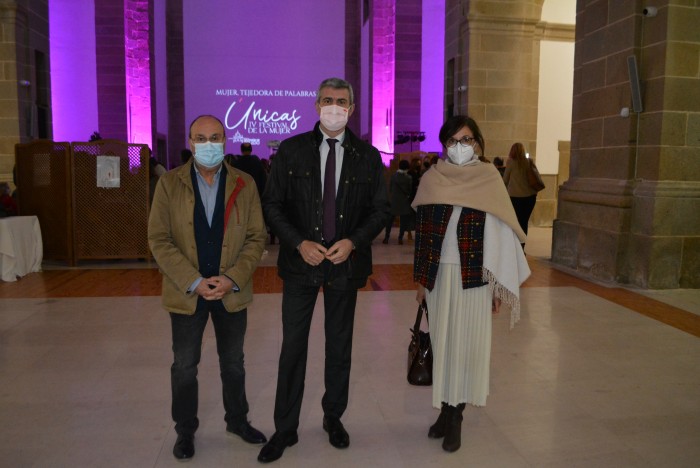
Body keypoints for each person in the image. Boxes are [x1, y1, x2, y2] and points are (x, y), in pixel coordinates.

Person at [259, 77, 390, 463]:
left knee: (339, 346)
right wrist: (299, 242)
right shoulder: (292, 150)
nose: (335, 107)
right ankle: (285, 429)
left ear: (352, 108)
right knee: (293, 348)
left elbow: (380, 210)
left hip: (344, 266)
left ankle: (333, 417)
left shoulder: (367, 156)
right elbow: (272, 205)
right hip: (301, 265)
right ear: (316, 105)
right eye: (328, 100)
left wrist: (354, 242)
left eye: (342, 101)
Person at [148, 115, 268, 461]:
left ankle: (237, 421)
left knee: (233, 362)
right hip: (187, 293)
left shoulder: (244, 183)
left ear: (225, 140)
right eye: (201, 138)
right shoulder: (169, 184)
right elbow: (159, 239)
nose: (209, 144)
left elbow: (256, 237)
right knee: (184, 365)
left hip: (231, 291)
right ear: (190, 141)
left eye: (215, 137)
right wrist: (195, 281)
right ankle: (185, 431)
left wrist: (232, 278)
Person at [412, 115, 530, 453]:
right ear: (444, 144)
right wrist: (421, 281)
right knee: (445, 345)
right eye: (452, 140)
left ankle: (455, 416)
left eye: (466, 140)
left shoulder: (489, 178)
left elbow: (500, 236)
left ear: (476, 142)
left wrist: (495, 286)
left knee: (466, 348)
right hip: (439, 277)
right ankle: (445, 410)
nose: (460, 147)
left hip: (473, 277)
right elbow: (423, 235)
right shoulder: (433, 178)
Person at [502, 142, 539, 249]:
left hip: (515, 197)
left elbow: (505, 180)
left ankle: (516, 246)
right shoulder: (529, 161)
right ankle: (522, 245)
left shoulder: (511, 163)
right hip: (530, 197)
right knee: (524, 221)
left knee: (516, 222)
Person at [383, 159, 414, 244]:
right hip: (404, 201)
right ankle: (400, 238)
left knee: (390, 220)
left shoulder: (393, 176)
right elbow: (409, 190)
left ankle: (386, 238)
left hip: (394, 201)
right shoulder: (408, 178)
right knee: (403, 221)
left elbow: (390, 188)